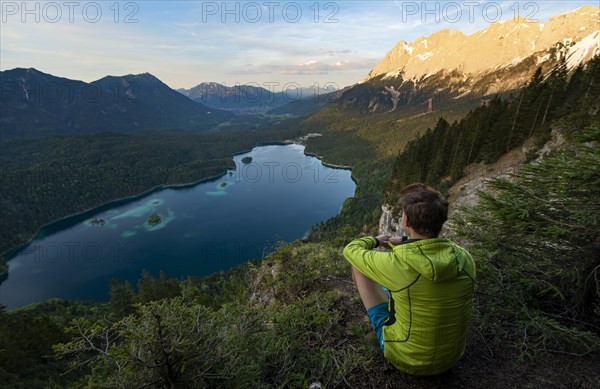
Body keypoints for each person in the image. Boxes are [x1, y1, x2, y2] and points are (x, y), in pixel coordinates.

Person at [343, 183, 476, 376]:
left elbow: (351, 250)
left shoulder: (400, 266)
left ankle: (377, 322)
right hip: (452, 357)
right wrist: (405, 242)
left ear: (406, 220)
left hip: (408, 358)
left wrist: (377, 240)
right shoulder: (465, 258)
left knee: (359, 264)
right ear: (441, 222)